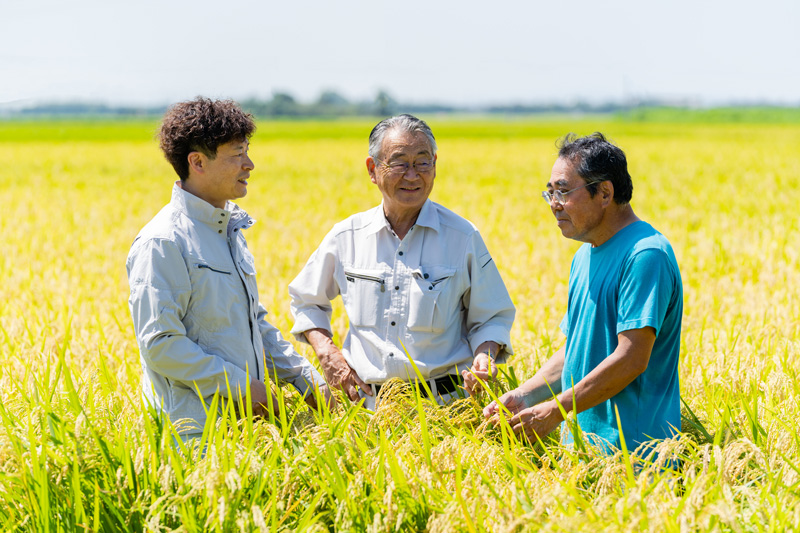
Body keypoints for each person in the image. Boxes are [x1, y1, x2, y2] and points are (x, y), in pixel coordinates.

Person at [127, 97, 328, 439]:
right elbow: (160, 344)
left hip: (243, 428)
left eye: (247, 151)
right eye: (237, 154)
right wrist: (242, 388)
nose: (249, 164)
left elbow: (253, 322)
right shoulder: (163, 241)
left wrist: (304, 377)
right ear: (198, 162)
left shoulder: (228, 231)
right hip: (193, 436)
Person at [289, 114, 515, 409]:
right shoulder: (347, 236)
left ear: (435, 166)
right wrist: (327, 353)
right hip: (365, 411)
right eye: (399, 163)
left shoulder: (462, 237)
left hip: (446, 410)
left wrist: (484, 356)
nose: (413, 175)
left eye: (423, 162)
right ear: (373, 169)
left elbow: (491, 317)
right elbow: (307, 301)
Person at [484, 132, 683, 453]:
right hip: (580, 452)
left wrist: (555, 409)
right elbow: (577, 351)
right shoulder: (584, 256)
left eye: (563, 192)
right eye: (549, 193)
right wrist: (524, 395)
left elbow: (631, 358)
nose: (554, 205)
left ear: (605, 192)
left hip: (635, 457)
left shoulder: (645, 254)